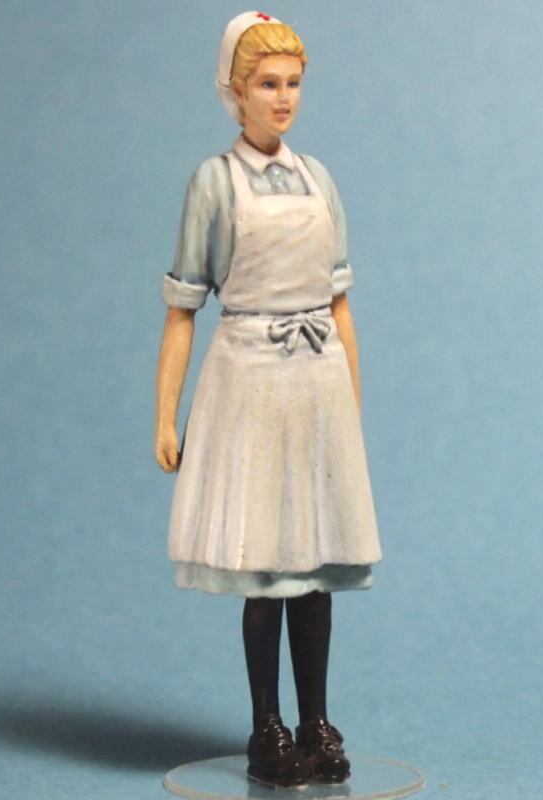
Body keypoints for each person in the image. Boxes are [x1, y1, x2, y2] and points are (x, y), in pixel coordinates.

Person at [155, 11, 382, 788]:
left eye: (292, 84)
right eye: (266, 84)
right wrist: (165, 415)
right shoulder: (214, 184)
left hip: (315, 384)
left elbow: (340, 303)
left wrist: (349, 403)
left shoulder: (319, 178)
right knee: (264, 568)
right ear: (236, 90)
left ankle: (316, 720)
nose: (282, 99)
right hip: (249, 380)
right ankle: (266, 725)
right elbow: (182, 309)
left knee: (312, 567)